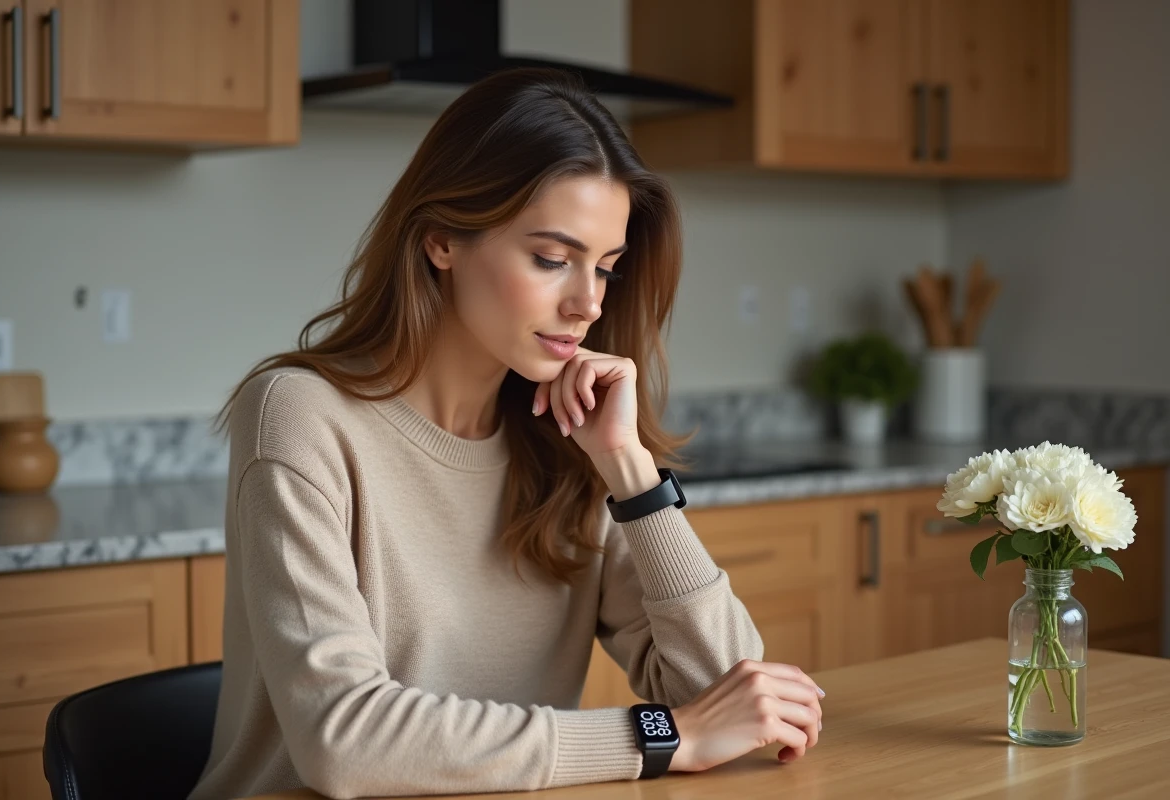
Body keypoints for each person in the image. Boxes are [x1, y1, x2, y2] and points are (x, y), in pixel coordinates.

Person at [188, 67, 823, 800]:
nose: (587, 302)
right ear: (442, 242)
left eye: (606, 268)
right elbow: (343, 739)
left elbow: (732, 696)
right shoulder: (300, 416)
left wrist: (630, 473)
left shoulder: (571, 439)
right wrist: (658, 738)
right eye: (551, 259)